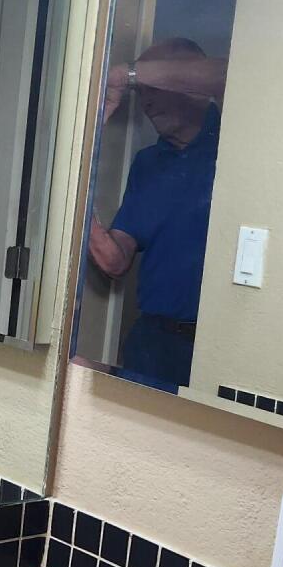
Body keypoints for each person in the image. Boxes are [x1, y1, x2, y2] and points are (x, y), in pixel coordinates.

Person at [88, 36, 229, 391]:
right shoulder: (148, 164)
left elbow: (228, 74)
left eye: (154, 86)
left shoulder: (239, 137)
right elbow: (114, 260)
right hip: (153, 343)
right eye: (141, 91)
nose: (146, 101)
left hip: (222, 346)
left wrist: (125, 75)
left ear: (194, 87)